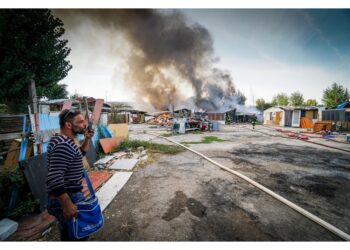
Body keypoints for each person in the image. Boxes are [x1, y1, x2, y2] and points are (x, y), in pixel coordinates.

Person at [46, 109, 95, 241]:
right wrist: (67, 205)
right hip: (69, 196)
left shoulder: (65, 141)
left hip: (70, 194)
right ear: (68, 125)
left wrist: (87, 139)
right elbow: (54, 178)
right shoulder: (63, 144)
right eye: (80, 122)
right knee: (80, 235)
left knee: (70, 234)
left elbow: (78, 155)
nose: (84, 124)